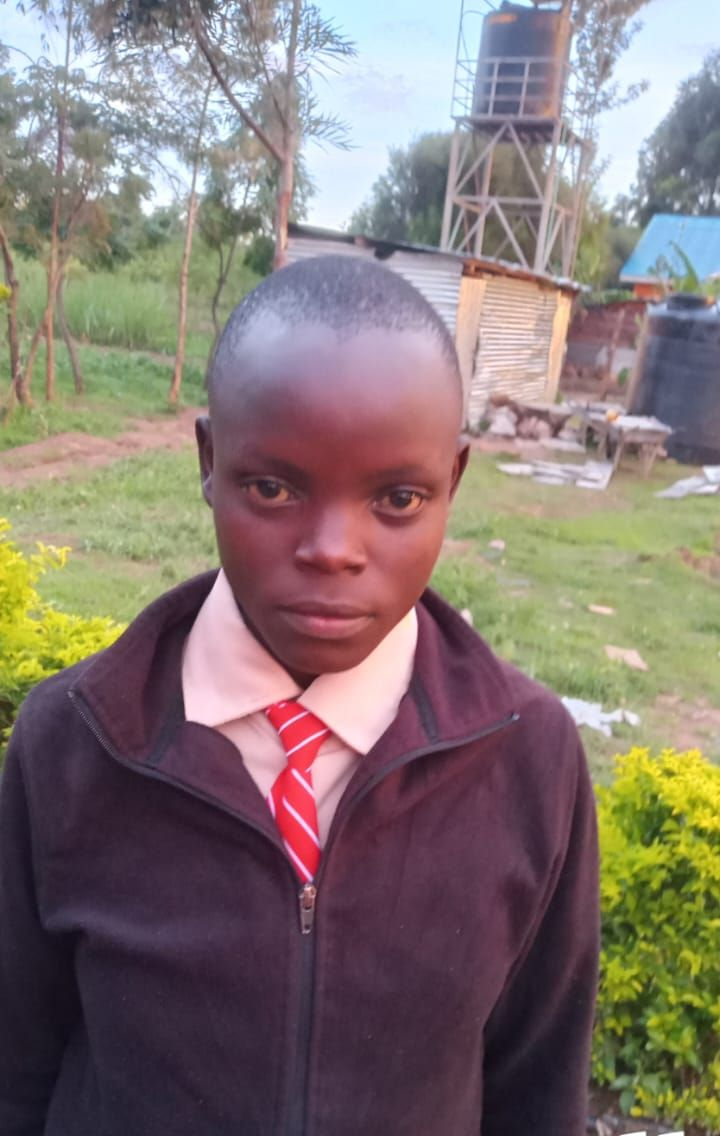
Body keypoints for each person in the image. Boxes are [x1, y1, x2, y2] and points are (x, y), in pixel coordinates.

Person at [0, 255, 599, 1136]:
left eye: (397, 498)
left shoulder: (528, 759)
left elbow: (539, 1090)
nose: (332, 550)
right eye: (273, 488)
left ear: (453, 486)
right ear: (209, 462)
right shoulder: (72, 746)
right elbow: (16, 1067)